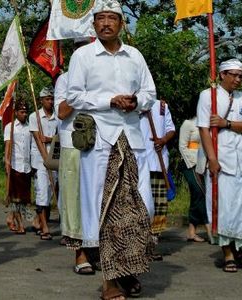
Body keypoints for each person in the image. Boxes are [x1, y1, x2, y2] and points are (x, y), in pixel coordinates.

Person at [66, 1, 155, 298]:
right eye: (100, 18)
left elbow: (149, 93)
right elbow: (74, 97)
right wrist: (109, 101)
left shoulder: (135, 56)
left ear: (121, 23)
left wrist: (136, 102)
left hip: (132, 138)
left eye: (112, 18)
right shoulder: (82, 56)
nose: (106, 23)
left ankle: (128, 270)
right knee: (103, 209)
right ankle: (110, 281)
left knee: (135, 209)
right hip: (100, 141)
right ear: (93, 25)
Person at [196, 58, 242, 273]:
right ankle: (228, 253)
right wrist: (212, 159)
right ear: (222, 75)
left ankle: (238, 247)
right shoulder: (208, 95)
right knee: (224, 210)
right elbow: (203, 129)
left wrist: (227, 123)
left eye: (240, 75)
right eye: (233, 75)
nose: (238, 79)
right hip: (221, 162)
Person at [54, 37, 95, 275]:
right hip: (74, 145)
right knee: (74, 200)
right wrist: (80, 89)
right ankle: (80, 253)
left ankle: (97, 250)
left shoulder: (103, 75)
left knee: (98, 200)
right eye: (79, 50)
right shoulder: (65, 79)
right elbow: (62, 112)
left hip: (100, 144)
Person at [140, 99, 175, 241]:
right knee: (142, 202)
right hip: (140, 163)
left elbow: (171, 129)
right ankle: (142, 239)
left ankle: (154, 240)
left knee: (159, 204)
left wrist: (163, 140)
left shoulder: (161, 106)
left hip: (159, 164)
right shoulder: (133, 105)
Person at [28, 87, 59, 241]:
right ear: (41, 100)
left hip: (54, 158)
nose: (50, 101)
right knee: (42, 191)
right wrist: (45, 158)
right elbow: (38, 140)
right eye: (47, 99)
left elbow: (58, 137)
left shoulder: (57, 117)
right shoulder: (35, 117)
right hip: (40, 160)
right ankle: (45, 227)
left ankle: (39, 221)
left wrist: (50, 139)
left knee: (50, 190)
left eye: (52, 98)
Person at [179, 114, 211, 242]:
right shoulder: (188, 123)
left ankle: (191, 232)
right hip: (189, 164)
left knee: (197, 196)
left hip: (203, 164)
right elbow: (182, 146)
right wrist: (192, 163)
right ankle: (210, 229)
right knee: (200, 193)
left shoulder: (206, 125)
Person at [3, 100, 34, 234]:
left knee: (24, 199)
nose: (24, 115)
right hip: (15, 165)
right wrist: (7, 163)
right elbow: (8, 146)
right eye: (21, 112)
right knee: (16, 199)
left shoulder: (30, 127)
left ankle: (10, 217)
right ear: (16, 113)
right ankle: (21, 224)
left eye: (26, 112)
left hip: (27, 166)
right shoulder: (10, 127)